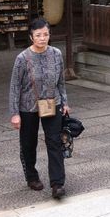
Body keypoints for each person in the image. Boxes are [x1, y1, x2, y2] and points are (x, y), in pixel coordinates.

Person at [9, 18, 70, 199]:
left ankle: (57, 183)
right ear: (31, 37)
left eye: (46, 34)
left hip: (53, 103)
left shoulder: (56, 53)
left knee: (55, 142)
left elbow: (61, 81)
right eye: (38, 35)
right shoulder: (22, 58)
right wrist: (14, 113)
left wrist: (65, 102)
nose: (43, 38)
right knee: (29, 144)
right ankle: (32, 176)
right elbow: (15, 87)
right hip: (28, 107)